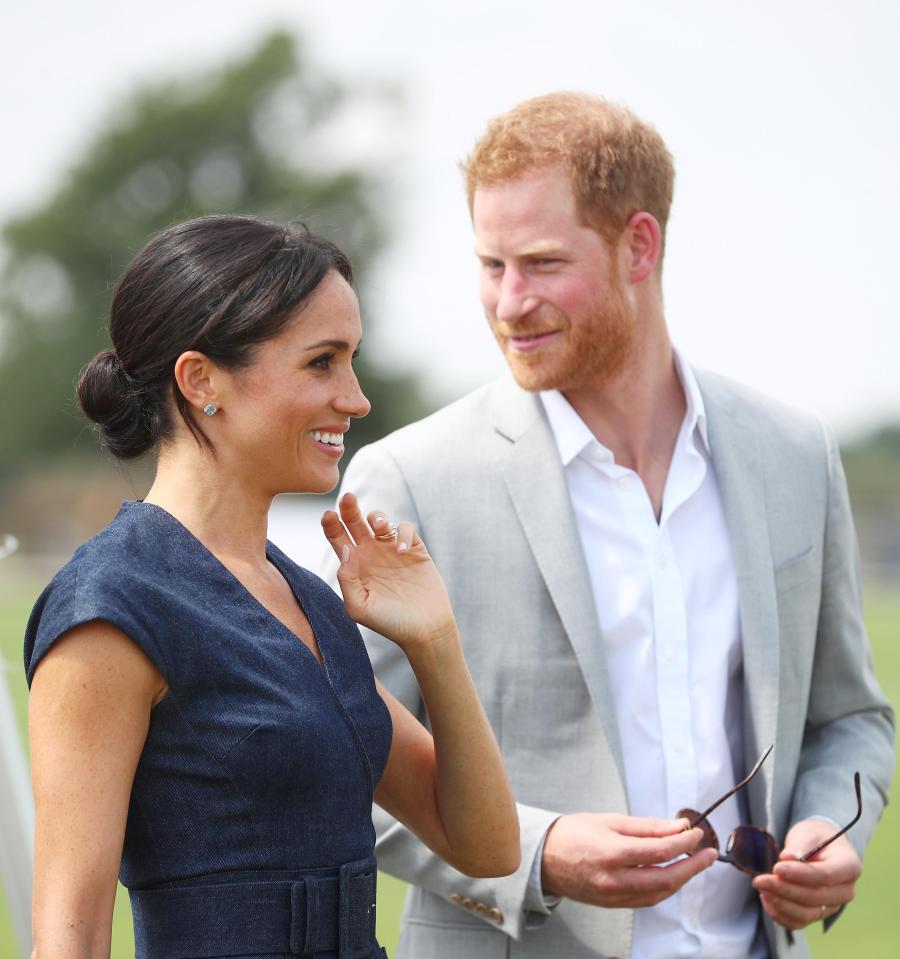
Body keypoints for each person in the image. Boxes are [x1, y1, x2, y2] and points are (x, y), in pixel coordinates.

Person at [326, 93, 895, 958]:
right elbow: (341, 763)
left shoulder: (794, 453)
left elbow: (849, 715)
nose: (509, 302)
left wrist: (830, 827)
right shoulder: (409, 479)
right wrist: (537, 853)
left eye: (543, 263)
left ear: (640, 244)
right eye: (491, 264)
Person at [23, 215, 521, 959]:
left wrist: (433, 639)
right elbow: (72, 940)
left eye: (352, 360)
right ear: (200, 381)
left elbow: (485, 845)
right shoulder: (110, 608)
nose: (355, 398)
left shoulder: (312, 601)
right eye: (322, 362)